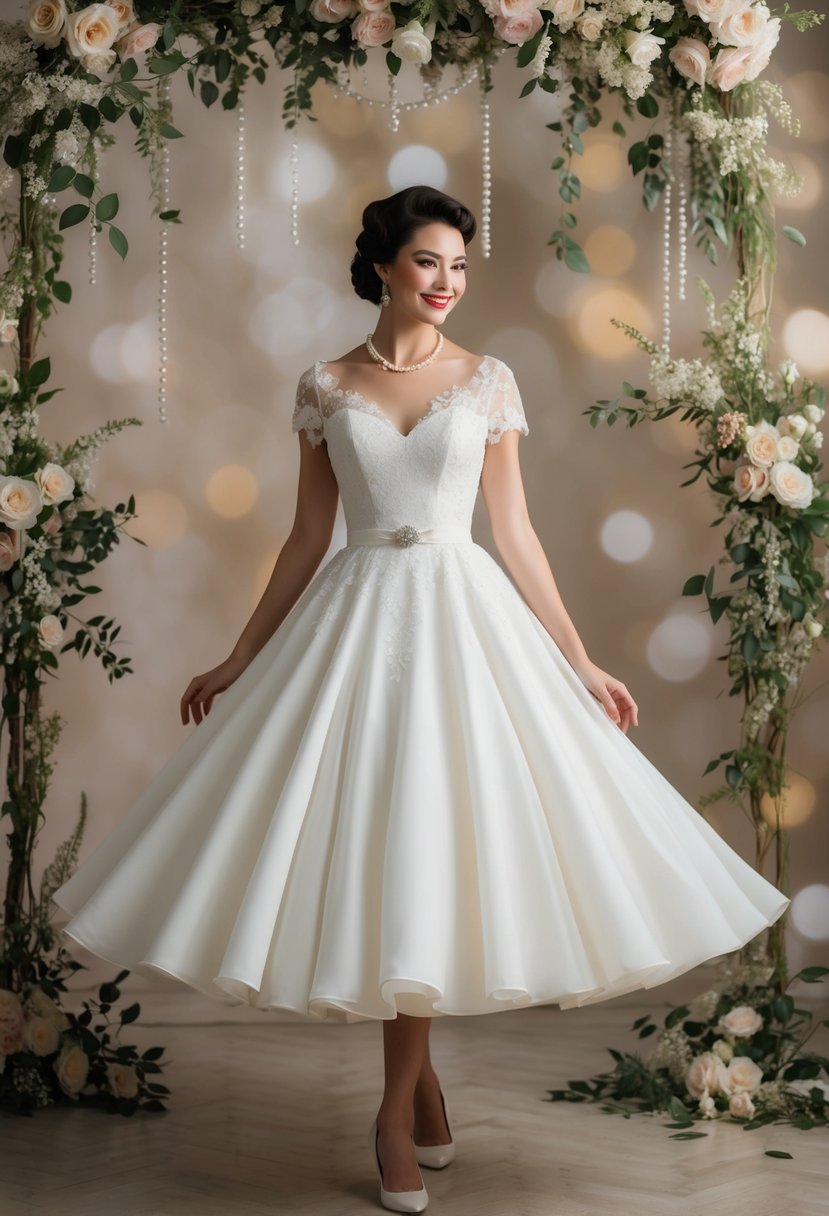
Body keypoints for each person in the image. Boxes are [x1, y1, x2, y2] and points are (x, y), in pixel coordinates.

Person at [53, 185, 790, 1214]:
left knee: (435, 853)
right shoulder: (323, 384)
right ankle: (422, 1090)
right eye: (429, 262)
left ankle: (393, 1115)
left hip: (460, 624)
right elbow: (308, 538)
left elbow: (515, 533)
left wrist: (575, 658)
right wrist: (236, 654)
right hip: (356, 629)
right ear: (385, 267)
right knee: (382, 859)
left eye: (459, 266)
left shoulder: (488, 382)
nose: (447, 283)